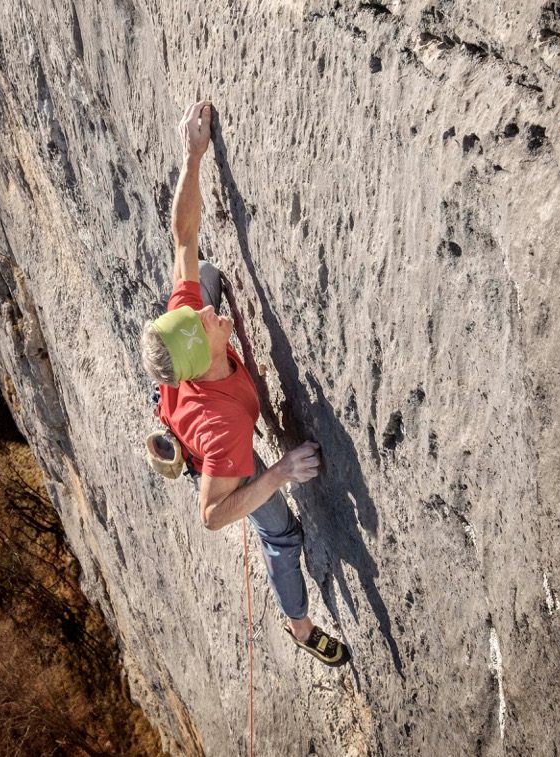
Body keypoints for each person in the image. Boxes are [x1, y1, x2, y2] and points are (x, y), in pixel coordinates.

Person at [141, 100, 350, 666]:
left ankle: (171, 427)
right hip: (210, 441)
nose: (212, 315)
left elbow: (184, 235)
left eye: (202, 315)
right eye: (210, 324)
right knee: (282, 535)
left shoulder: (189, 317)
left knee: (203, 273)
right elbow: (211, 516)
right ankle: (301, 628)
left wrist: (193, 154)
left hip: (189, 393)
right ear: (201, 353)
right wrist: (280, 472)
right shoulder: (227, 430)